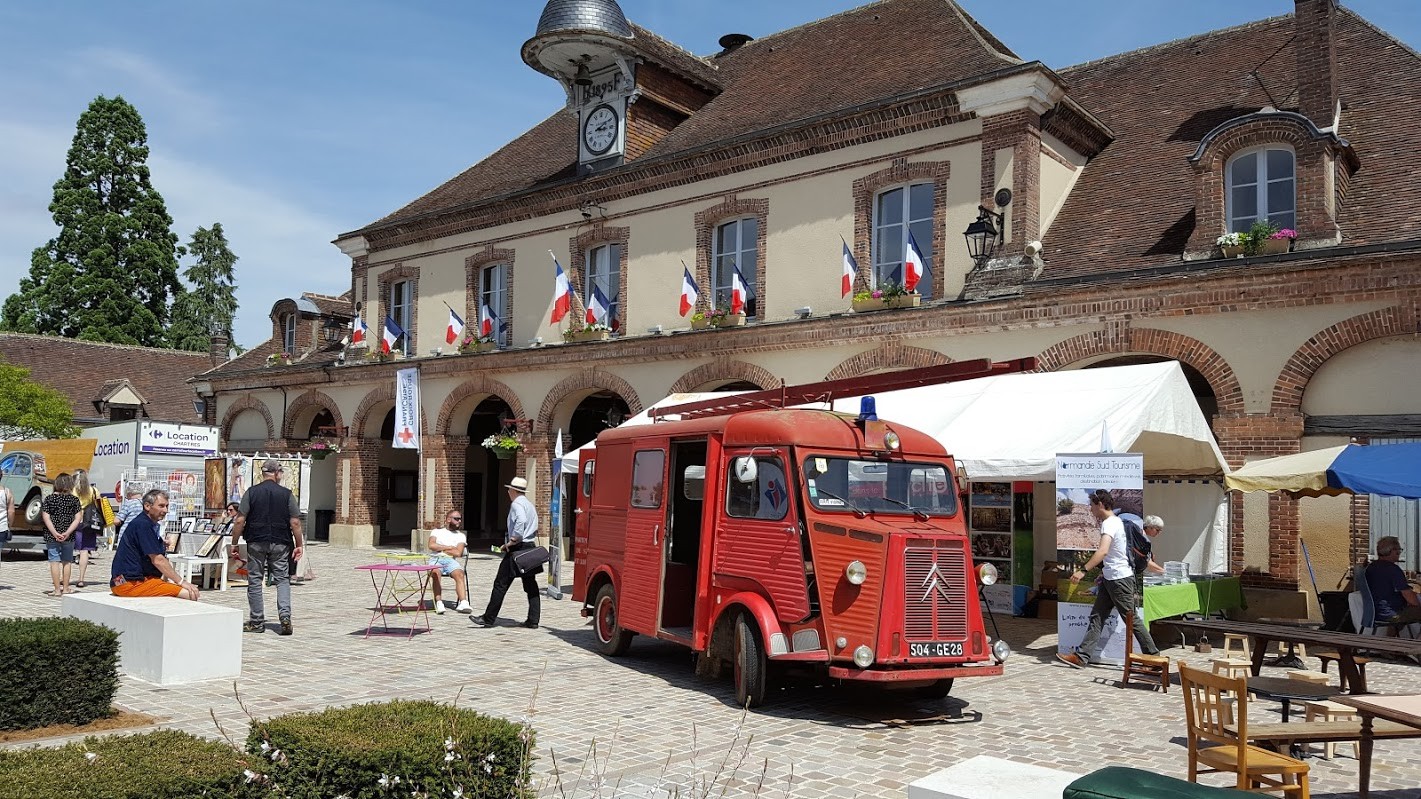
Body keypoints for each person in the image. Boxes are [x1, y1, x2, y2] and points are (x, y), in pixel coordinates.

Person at [1057, 490, 1160, 668]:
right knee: (1097, 616)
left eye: (1092, 505)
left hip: (1119, 579)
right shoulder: (1114, 522)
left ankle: (1154, 657)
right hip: (1110, 578)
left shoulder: (1110, 524)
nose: (1090, 509)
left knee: (1131, 619)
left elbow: (1103, 551)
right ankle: (1082, 657)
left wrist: (1083, 570)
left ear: (1100, 504)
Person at [230, 460, 303, 636]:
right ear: (277, 473)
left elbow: (240, 520)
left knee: (255, 579)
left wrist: (234, 542)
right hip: (280, 540)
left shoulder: (251, 492)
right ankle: (285, 617)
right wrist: (299, 544)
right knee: (282, 579)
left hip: (256, 540)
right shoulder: (286, 494)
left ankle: (256, 621)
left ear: (263, 474)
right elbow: (295, 522)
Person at [471, 476, 540, 629]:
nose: (508, 491)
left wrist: (513, 540)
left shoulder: (516, 504)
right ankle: (533, 619)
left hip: (518, 547)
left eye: (509, 489)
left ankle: (488, 618)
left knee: (501, 583)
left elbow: (520, 521)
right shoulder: (529, 504)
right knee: (530, 584)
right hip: (529, 545)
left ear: (514, 490)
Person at [109, 489, 200, 600]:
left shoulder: (144, 523)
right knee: (189, 593)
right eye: (161, 506)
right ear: (147, 506)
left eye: (167, 506)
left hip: (120, 581)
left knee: (169, 586)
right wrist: (182, 581)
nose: (165, 510)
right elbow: (158, 560)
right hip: (129, 583)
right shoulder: (143, 525)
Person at [40, 473, 82, 596]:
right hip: (69, 535)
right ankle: (66, 588)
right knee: (67, 561)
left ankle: (57, 590)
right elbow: (78, 518)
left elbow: (46, 518)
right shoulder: (74, 500)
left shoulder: (49, 499)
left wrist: (55, 533)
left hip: (51, 535)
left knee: (54, 561)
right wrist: (67, 532)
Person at [1365, 535, 1421, 627]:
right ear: (1391, 551)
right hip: (1392, 614)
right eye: (1398, 550)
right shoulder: (1393, 570)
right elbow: (1410, 597)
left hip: (1375, 613)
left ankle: (1390, 638)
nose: (1399, 552)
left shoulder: (1371, 567)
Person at [73, 469, 115, 589]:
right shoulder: (93, 490)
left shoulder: (72, 490)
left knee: (66, 550)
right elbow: (99, 505)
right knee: (84, 551)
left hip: (74, 521)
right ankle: (81, 578)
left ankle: (63, 577)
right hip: (88, 522)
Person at [428, 509, 472, 614]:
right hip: (436, 558)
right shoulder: (436, 532)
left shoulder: (461, 535)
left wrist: (440, 548)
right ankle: (438, 602)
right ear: (448, 519)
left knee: (460, 573)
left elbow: (458, 553)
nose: (459, 521)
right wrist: (449, 547)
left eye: (460, 519)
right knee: (435, 572)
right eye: (456, 519)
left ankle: (463, 602)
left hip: (450, 560)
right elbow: (431, 545)